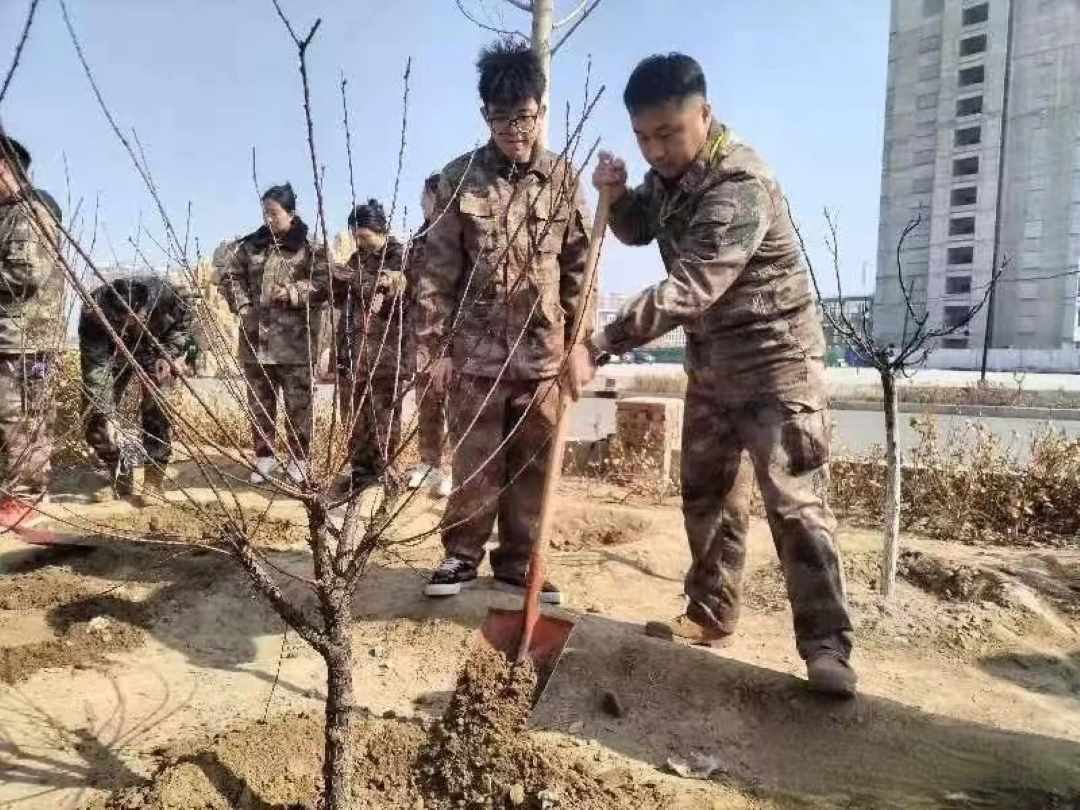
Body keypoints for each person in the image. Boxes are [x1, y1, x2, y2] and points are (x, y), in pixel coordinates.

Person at [572, 53, 856, 696]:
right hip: (710, 366)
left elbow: (692, 285)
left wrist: (604, 340)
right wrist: (614, 196)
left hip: (774, 362)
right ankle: (710, 612)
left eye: (668, 134)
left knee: (793, 506)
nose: (656, 150)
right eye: (643, 138)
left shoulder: (738, 181)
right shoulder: (665, 177)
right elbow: (640, 228)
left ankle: (826, 646)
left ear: (704, 114)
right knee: (707, 494)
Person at [416, 41, 593, 603]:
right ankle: (460, 555)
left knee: (534, 464)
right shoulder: (459, 178)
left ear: (541, 109)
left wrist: (579, 344)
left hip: (543, 353)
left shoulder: (564, 179)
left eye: (524, 116)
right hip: (475, 352)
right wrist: (436, 346)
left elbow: (579, 272)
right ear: (484, 114)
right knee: (475, 460)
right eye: (500, 118)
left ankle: (520, 563)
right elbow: (437, 272)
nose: (513, 130)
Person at [221, 183, 326, 485]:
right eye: (264, 212)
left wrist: (294, 292)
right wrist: (241, 305)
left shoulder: (310, 247)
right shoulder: (251, 246)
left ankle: (299, 460)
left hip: (294, 344)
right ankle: (264, 458)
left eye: (274, 213)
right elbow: (231, 276)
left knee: (298, 404)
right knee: (260, 402)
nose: (268, 219)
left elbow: (325, 283)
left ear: (291, 212)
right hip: (256, 341)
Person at [319, 199, 410, 494]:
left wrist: (356, 280)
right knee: (355, 417)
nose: (360, 242)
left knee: (384, 417)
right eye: (356, 237)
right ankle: (360, 471)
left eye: (365, 236)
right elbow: (340, 298)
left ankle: (385, 472)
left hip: (385, 354)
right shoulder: (357, 259)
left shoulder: (399, 256)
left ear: (380, 230)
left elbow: (396, 290)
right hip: (353, 352)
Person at [79, 275, 192, 505]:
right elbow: (96, 370)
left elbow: (183, 320)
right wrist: (107, 412)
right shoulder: (94, 313)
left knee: (158, 407)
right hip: (113, 352)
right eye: (130, 319)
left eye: (140, 315)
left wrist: (169, 354)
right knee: (95, 411)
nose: (139, 319)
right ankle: (117, 473)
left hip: (154, 347)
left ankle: (153, 481)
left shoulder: (165, 294)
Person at [0, 134, 62, 527]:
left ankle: (25, 499)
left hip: (26, 339)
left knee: (22, 419)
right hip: (10, 336)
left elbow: (26, 273)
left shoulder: (30, 211)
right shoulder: (7, 213)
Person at [405, 173, 452, 498]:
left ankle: (451, 468)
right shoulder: (419, 238)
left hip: (448, 332)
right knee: (426, 402)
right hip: (420, 332)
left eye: (427, 196)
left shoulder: (456, 236)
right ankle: (429, 464)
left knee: (450, 402)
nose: (423, 202)